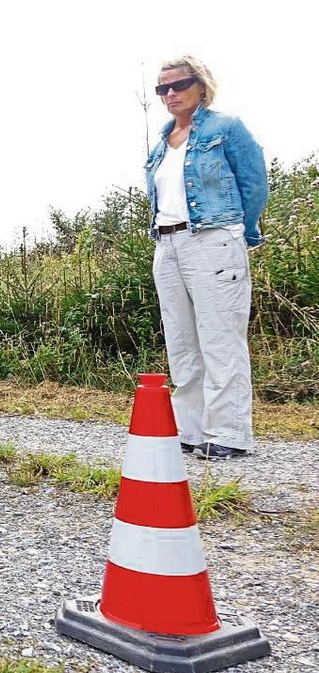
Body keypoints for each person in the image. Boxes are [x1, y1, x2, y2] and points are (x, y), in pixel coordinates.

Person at [147, 56, 267, 461]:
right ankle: (190, 430)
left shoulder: (226, 129)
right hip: (167, 244)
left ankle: (229, 433)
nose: (170, 94)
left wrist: (237, 232)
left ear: (201, 85)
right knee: (182, 342)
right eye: (162, 88)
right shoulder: (162, 142)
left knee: (219, 337)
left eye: (178, 85)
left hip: (213, 238)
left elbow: (254, 185)